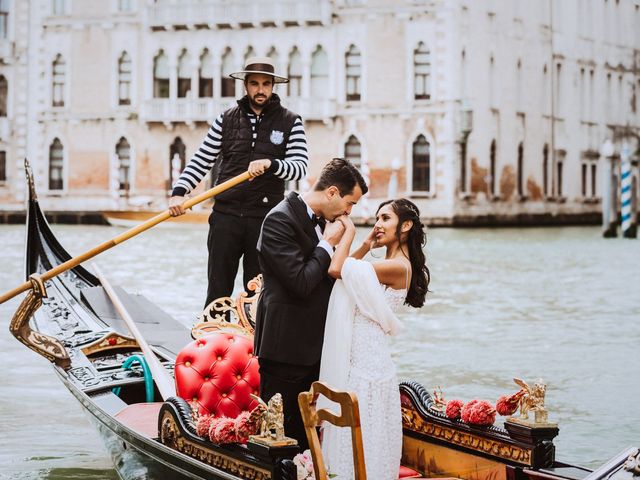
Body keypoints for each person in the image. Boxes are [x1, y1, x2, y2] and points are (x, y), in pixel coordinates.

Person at [168, 57, 308, 308]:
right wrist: (179, 192)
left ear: (273, 86)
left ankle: (253, 343)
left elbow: (299, 168)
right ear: (245, 85)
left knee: (256, 292)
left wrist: (271, 164)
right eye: (254, 83)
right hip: (226, 216)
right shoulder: (226, 119)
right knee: (218, 288)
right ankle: (211, 339)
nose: (260, 89)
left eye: (266, 84)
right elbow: (201, 160)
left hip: (266, 219)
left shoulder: (290, 121)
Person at [254, 158, 368, 450]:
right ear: (332, 192)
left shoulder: (326, 224)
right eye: (349, 203)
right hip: (285, 352)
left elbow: (332, 276)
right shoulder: (279, 220)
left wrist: (356, 244)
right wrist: (327, 244)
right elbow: (301, 282)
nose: (349, 212)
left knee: (308, 441)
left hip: (317, 350)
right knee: (282, 440)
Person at [319, 198, 430, 480]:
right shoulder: (386, 264)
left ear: (405, 226)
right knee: (352, 433)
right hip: (362, 359)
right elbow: (347, 271)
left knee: (361, 435)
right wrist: (368, 245)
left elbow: (336, 269)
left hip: (369, 365)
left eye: (385, 219)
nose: (378, 225)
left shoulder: (399, 267)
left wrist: (352, 234)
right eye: (378, 218)